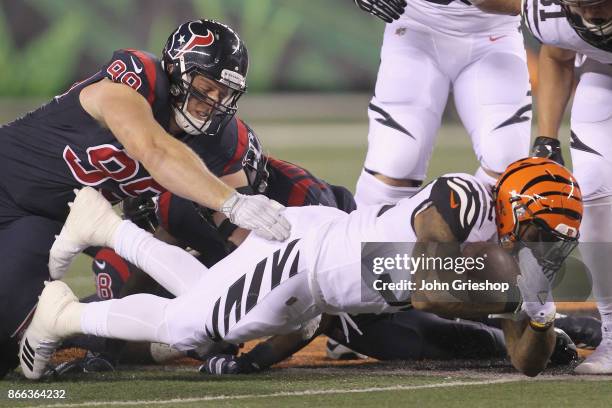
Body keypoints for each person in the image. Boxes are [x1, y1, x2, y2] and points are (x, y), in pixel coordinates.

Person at [19, 157, 582, 379]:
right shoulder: (467, 197)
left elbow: (526, 363)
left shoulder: (515, 264)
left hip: (320, 270)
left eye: (556, 242)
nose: (545, 250)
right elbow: (428, 287)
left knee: (206, 299)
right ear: (512, 209)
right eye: (539, 233)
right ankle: (59, 315)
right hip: (306, 264)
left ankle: (107, 226)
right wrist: (512, 298)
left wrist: (539, 313)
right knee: (187, 326)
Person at [0, 19, 291, 380]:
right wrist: (232, 201)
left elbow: (240, 235)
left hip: (43, 223)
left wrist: (288, 280)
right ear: (176, 71)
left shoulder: (218, 139)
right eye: (206, 87)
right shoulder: (137, 80)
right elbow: (154, 149)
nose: (212, 103)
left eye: (224, 94)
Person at [468, 0, 612, 375]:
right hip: (603, 71)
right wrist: (547, 137)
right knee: (595, 193)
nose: (591, 13)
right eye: (580, 4)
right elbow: (559, 54)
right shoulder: (547, 13)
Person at [352, 0, 532, 206]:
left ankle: (475, 228)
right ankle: (371, 234)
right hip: (415, 25)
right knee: (395, 158)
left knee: (505, 158)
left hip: (495, 32)